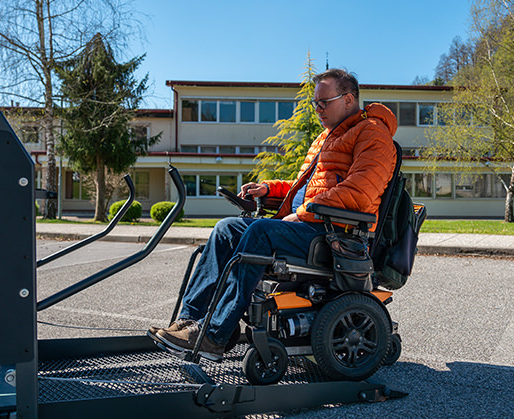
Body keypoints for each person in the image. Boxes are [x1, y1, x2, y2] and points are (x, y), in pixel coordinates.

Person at [148, 68, 397, 361]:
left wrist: (303, 214)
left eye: (323, 102)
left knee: (259, 232)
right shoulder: (326, 138)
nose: (317, 109)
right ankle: (190, 322)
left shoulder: (373, 134)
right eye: (315, 103)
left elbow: (360, 191)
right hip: (311, 225)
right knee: (227, 228)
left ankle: (213, 336)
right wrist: (268, 190)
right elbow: (304, 187)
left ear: (349, 99)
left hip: (335, 236)